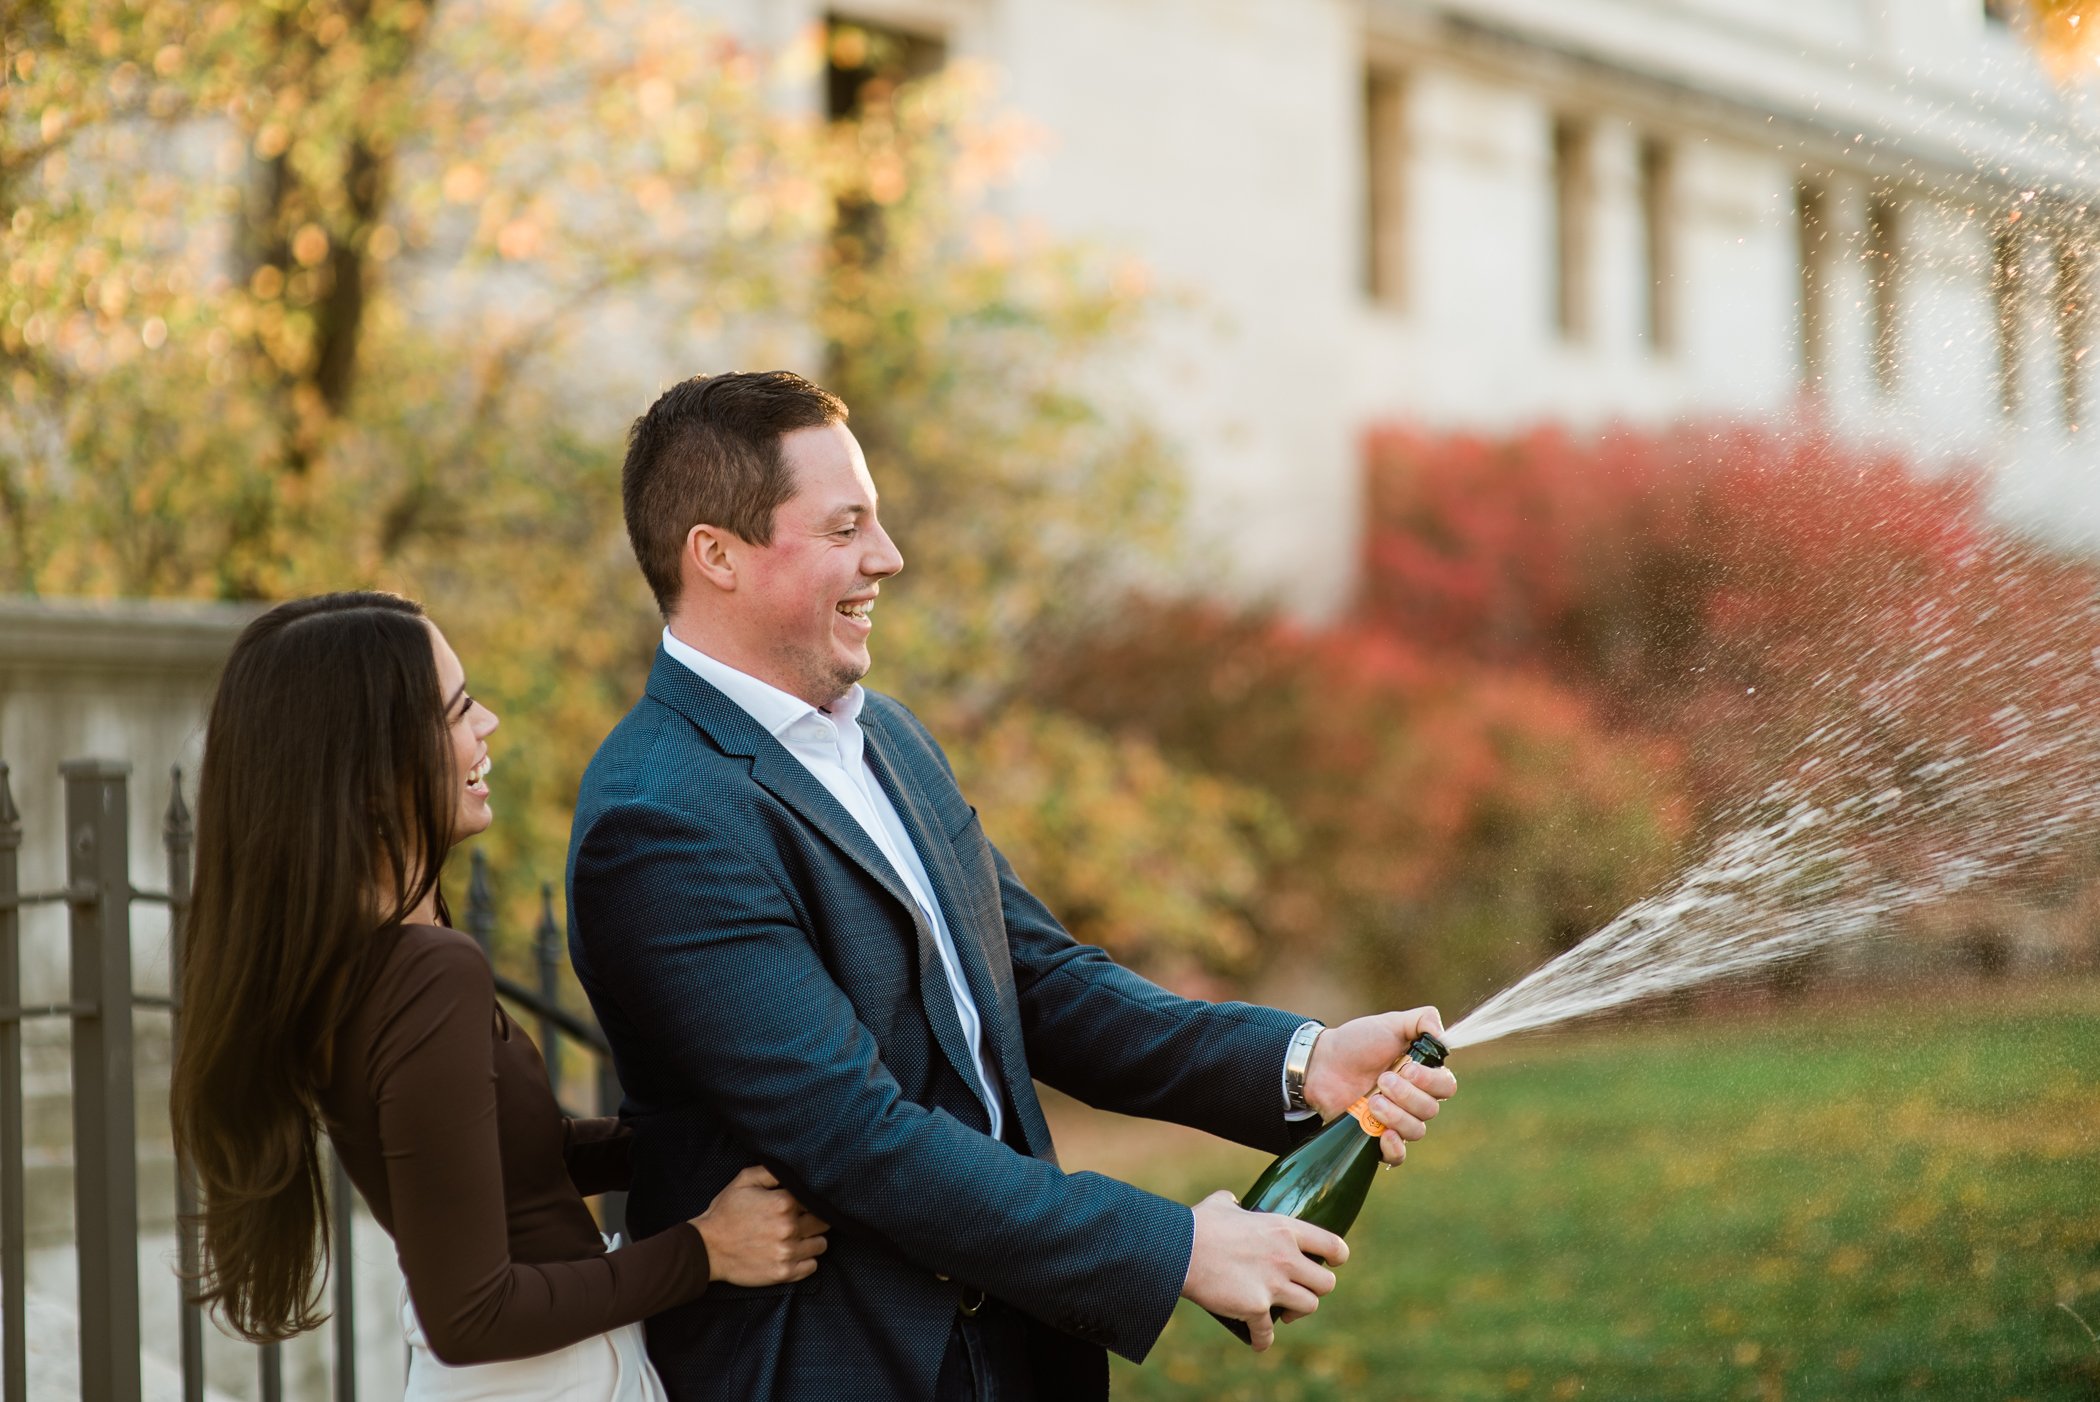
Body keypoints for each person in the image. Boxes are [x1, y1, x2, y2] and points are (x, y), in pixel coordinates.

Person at [566, 372, 1459, 1402]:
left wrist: (1302, 1062)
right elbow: (857, 1139)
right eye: (846, 526)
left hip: (1019, 1351)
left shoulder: (884, 735)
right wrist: (1172, 1248)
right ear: (715, 554)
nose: (887, 557)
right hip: (836, 1365)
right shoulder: (661, 819)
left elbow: (1036, 978)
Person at [169, 591, 830, 1401]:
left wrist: (671, 1138)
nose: (487, 724)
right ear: (369, 771)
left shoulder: (346, 968)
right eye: (455, 711)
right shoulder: (422, 974)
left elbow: (498, 1170)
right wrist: (705, 1249)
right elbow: (471, 1315)